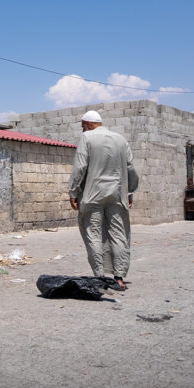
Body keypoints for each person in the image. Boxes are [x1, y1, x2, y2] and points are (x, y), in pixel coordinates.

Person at [68, 110, 139, 291]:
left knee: (93, 234)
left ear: (88, 124)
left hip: (92, 194)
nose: (83, 129)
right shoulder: (120, 139)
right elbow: (131, 168)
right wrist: (130, 192)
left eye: (83, 125)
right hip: (117, 194)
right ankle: (119, 278)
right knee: (119, 234)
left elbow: (80, 167)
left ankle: (99, 277)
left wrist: (73, 192)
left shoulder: (87, 138)